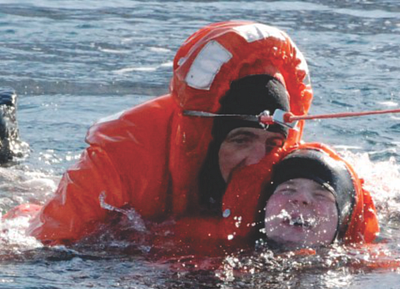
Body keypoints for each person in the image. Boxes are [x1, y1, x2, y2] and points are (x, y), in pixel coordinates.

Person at [28, 20, 313, 245]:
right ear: (209, 140)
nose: (257, 159)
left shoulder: (301, 179)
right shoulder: (117, 161)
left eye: (273, 142)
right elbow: (45, 245)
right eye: (241, 140)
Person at [259, 144, 378, 249]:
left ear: (342, 223)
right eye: (288, 189)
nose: (301, 198)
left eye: (320, 195)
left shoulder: (371, 269)